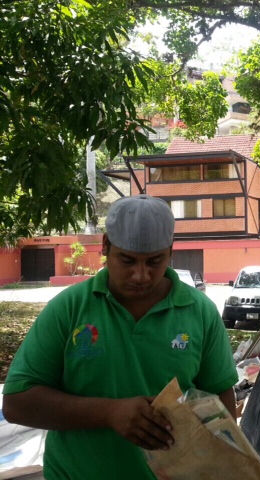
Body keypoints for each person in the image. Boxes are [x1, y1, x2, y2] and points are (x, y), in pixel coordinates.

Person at [3, 194, 238, 479]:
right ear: (105, 246)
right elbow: (16, 403)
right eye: (127, 260)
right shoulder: (70, 307)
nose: (141, 275)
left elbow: (221, 397)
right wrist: (108, 413)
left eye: (154, 261)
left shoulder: (199, 311)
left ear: (170, 252)